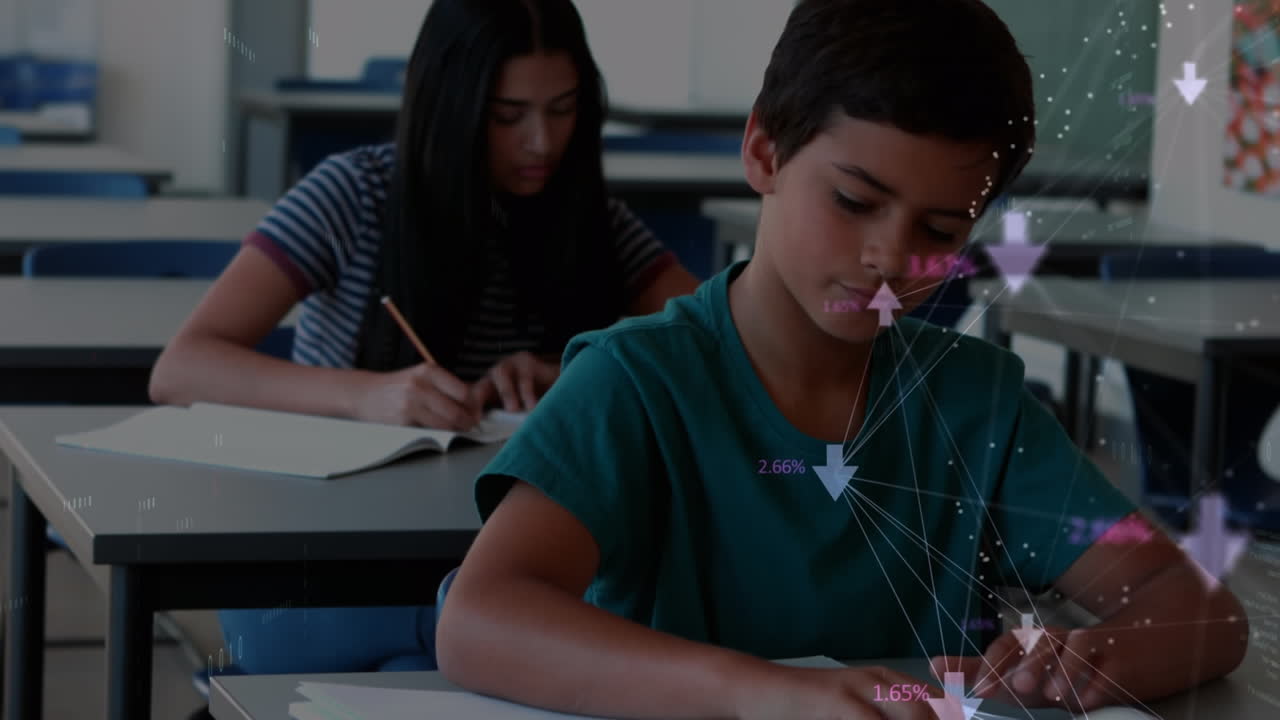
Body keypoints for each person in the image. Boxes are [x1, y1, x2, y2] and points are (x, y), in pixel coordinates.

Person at [435, 0, 1250, 717]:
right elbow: (479, 620)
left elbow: (1200, 609)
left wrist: (1102, 658)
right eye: (854, 202)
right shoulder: (636, 383)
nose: (889, 257)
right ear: (763, 150)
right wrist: (761, 693)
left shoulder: (974, 402)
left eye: (938, 232)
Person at [149, 0, 698, 675]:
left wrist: (578, 372)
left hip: (499, 568)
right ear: (451, 106)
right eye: (507, 116)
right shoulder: (354, 194)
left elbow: (710, 344)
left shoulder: (594, 223)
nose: (542, 142)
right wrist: (365, 397)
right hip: (326, 569)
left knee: (429, 676)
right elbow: (182, 367)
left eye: (563, 108)